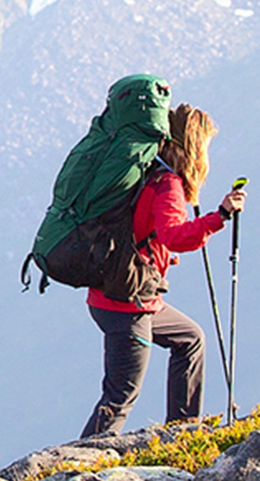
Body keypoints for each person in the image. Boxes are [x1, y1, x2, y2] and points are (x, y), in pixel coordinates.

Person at [82, 105, 246, 437]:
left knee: (189, 338)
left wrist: (160, 255)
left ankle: (181, 433)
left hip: (116, 294)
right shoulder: (168, 184)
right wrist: (221, 215)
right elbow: (175, 235)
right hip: (128, 304)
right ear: (193, 146)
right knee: (120, 395)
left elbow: (147, 230)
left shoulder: (148, 173)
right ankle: (73, 467)